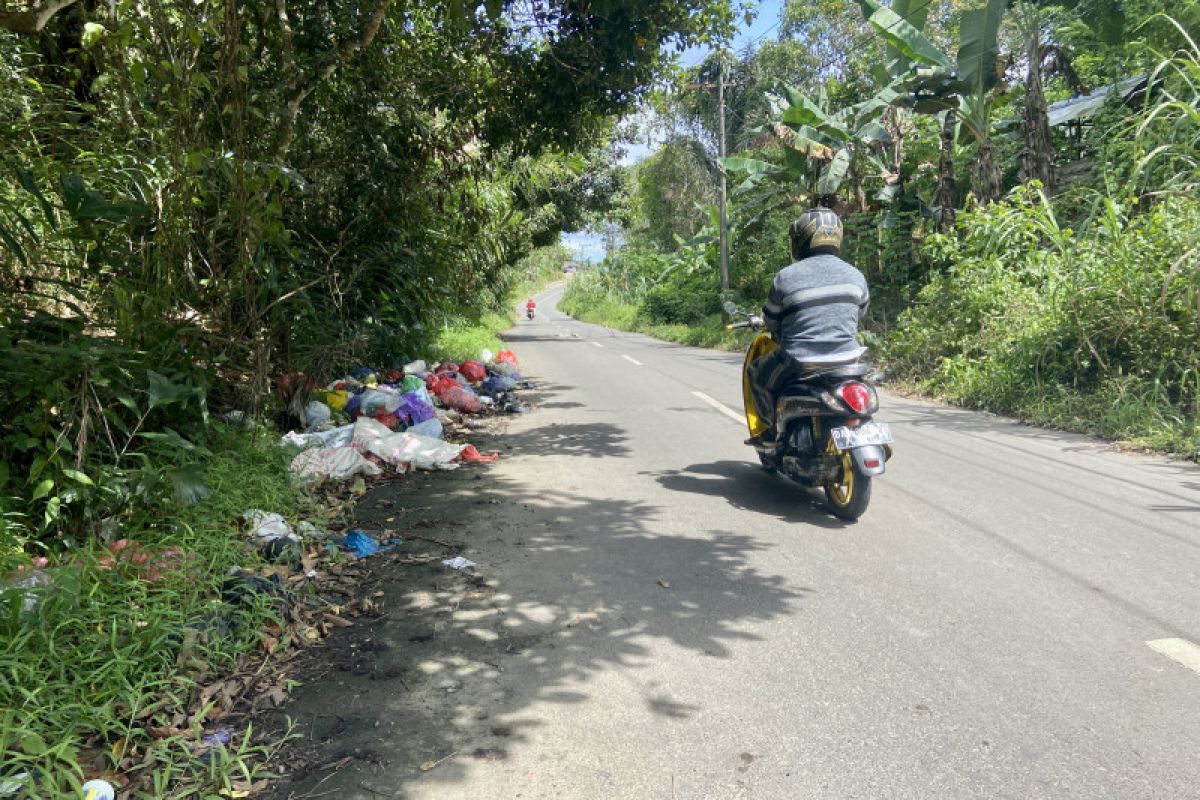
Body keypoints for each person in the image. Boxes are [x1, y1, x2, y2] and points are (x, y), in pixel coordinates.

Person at [746, 207, 869, 445]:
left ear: (801, 239)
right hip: (849, 359)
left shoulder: (786, 277)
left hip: (800, 361)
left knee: (757, 374)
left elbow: (771, 320)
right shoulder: (856, 276)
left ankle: (771, 432)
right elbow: (859, 312)